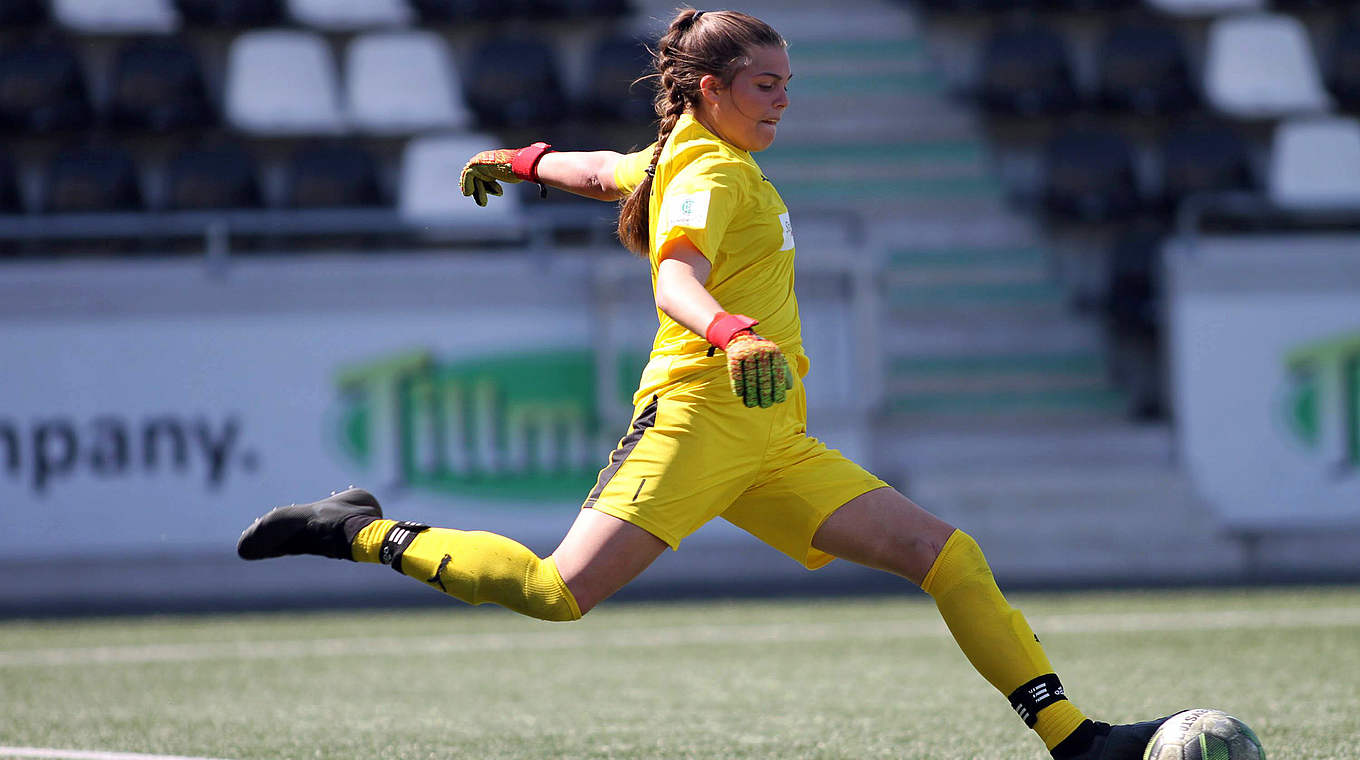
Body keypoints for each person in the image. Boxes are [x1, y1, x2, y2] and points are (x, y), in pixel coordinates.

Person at [237, 9, 1168, 759]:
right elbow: (675, 274)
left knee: (947, 556)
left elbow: (608, 172)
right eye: (767, 87)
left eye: (788, 87)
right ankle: (356, 529)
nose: (782, 104)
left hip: (769, 441)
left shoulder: (687, 154)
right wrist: (729, 332)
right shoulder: (716, 172)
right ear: (713, 89)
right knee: (558, 591)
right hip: (695, 422)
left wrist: (518, 161)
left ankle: (1075, 740)